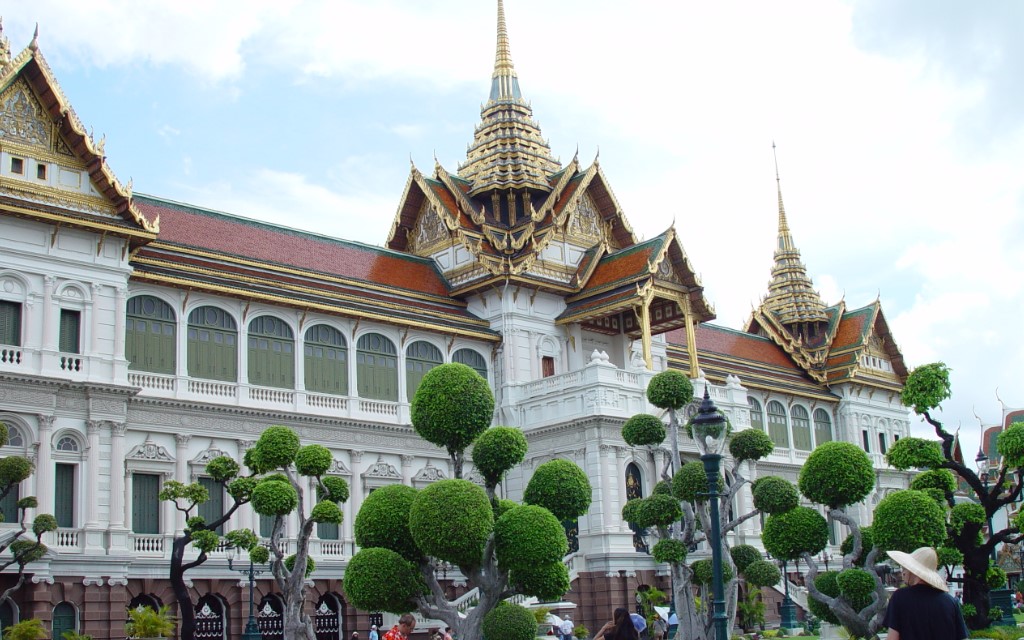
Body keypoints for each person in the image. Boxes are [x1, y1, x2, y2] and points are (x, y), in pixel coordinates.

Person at [882, 546, 969, 640]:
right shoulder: (951, 602)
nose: (903, 572)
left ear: (913, 571)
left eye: (905, 568)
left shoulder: (900, 597)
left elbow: (892, 638)